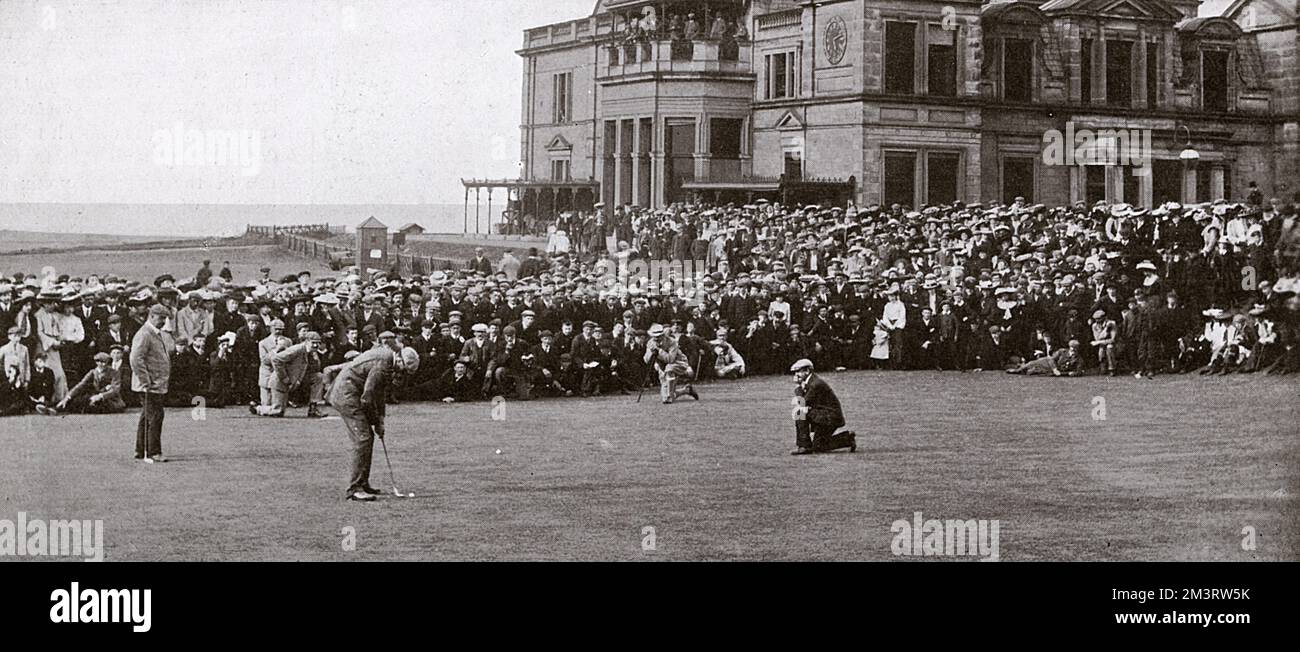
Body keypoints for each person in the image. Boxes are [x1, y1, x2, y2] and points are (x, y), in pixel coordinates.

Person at [324, 331, 400, 501]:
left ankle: (363, 483)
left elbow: (379, 393)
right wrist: (375, 420)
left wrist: (380, 420)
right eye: (402, 370)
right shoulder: (385, 362)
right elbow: (367, 396)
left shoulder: (386, 358)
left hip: (348, 393)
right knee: (363, 437)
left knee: (367, 437)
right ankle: (354, 488)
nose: (399, 374)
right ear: (400, 361)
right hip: (346, 396)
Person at [131, 304, 173, 463]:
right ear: (152, 315)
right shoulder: (145, 333)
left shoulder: (153, 332)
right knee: (156, 416)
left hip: (154, 384)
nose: (163, 321)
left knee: (146, 416)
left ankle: (140, 450)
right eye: (161, 318)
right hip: (150, 385)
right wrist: (145, 380)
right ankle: (154, 452)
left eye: (165, 318)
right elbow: (136, 359)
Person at [789, 359, 856, 455]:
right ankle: (847, 439)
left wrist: (798, 386)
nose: (796, 374)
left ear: (807, 371)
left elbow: (802, 402)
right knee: (818, 446)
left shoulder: (816, 384)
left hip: (829, 418)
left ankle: (804, 446)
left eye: (798, 371)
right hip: (823, 416)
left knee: (800, 412)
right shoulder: (813, 381)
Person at [645, 323, 698, 404]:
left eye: (658, 337)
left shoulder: (672, 342)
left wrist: (659, 350)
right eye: (654, 337)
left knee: (669, 369)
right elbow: (646, 360)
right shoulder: (650, 343)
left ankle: (670, 396)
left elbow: (670, 359)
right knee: (665, 398)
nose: (656, 339)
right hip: (663, 366)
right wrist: (651, 353)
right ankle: (686, 390)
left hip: (679, 362)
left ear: (662, 335)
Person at [57, 352, 125, 414]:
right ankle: (60, 407)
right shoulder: (92, 372)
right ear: (96, 362)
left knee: (97, 406)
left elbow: (115, 389)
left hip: (111, 400)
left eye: (105, 362)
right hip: (95, 398)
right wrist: (68, 397)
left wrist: (100, 396)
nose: (103, 364)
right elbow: (81, 385)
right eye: (100, 362)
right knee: (78, 402)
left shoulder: (114, 373)